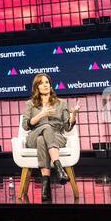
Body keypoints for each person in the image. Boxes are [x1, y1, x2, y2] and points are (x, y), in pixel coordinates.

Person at [22, 73, 76, 203]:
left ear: (51, 86)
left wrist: (73, 117)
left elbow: (67, 128)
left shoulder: (61, 103)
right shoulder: (30, 104)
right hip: (34, 135)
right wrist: (42, 115)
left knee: (43, 140)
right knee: (45, 127)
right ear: (37, 87)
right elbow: (25, 125)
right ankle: (58, 167)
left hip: (56, 137)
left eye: (47, 82)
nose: (45, 85)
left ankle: (45, 186)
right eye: (41, 83)